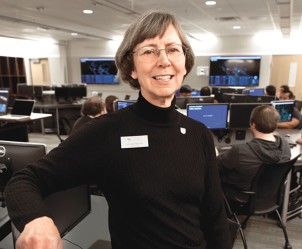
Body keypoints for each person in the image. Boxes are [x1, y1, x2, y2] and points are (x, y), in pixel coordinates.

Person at [5, 11, 231, 249]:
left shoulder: (199, 134)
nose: (164, 60)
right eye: (149, 51)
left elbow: (216, 219)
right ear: (131, 68)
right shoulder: (106, 132)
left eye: (173, 49)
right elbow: (24, 180)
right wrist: (36, 219)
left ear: (184, 63)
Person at [218, 105, 291, 203]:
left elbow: (217, 166)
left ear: (253, 125)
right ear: (276, 124)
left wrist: (216, 154)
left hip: (240, 196)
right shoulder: (284, 143)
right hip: (270, 197)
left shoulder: (240, 150)